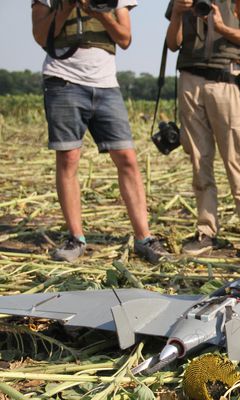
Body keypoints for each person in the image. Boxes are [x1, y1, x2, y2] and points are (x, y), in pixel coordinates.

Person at [31, 0, 170, 264]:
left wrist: (99, 12)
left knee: (127, 158)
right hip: (63, 80)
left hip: (106, 84)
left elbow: (125, 38)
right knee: (68, 158)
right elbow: (41, 36)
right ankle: (75, 238)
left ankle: (145, 238)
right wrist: (65, 8)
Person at [165, 0, 240, 257]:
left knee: (236, 159)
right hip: (190, 79)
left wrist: (221, 26)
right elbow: (172, 43)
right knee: (199, 160)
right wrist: (177, 12)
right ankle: (206, 231)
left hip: (226, 78)